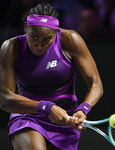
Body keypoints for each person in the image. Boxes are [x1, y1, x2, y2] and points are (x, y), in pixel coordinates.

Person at [0, 2, 103, 150]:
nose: (39, 45)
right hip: (27, 116)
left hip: (66, 118)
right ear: (25, 28)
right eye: (34, 37)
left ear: (56, 33)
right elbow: (5, 99)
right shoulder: (10, 48)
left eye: (46, 39)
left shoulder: (70, 40)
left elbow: (96, 84)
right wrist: (46, 107)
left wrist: (83, 109)